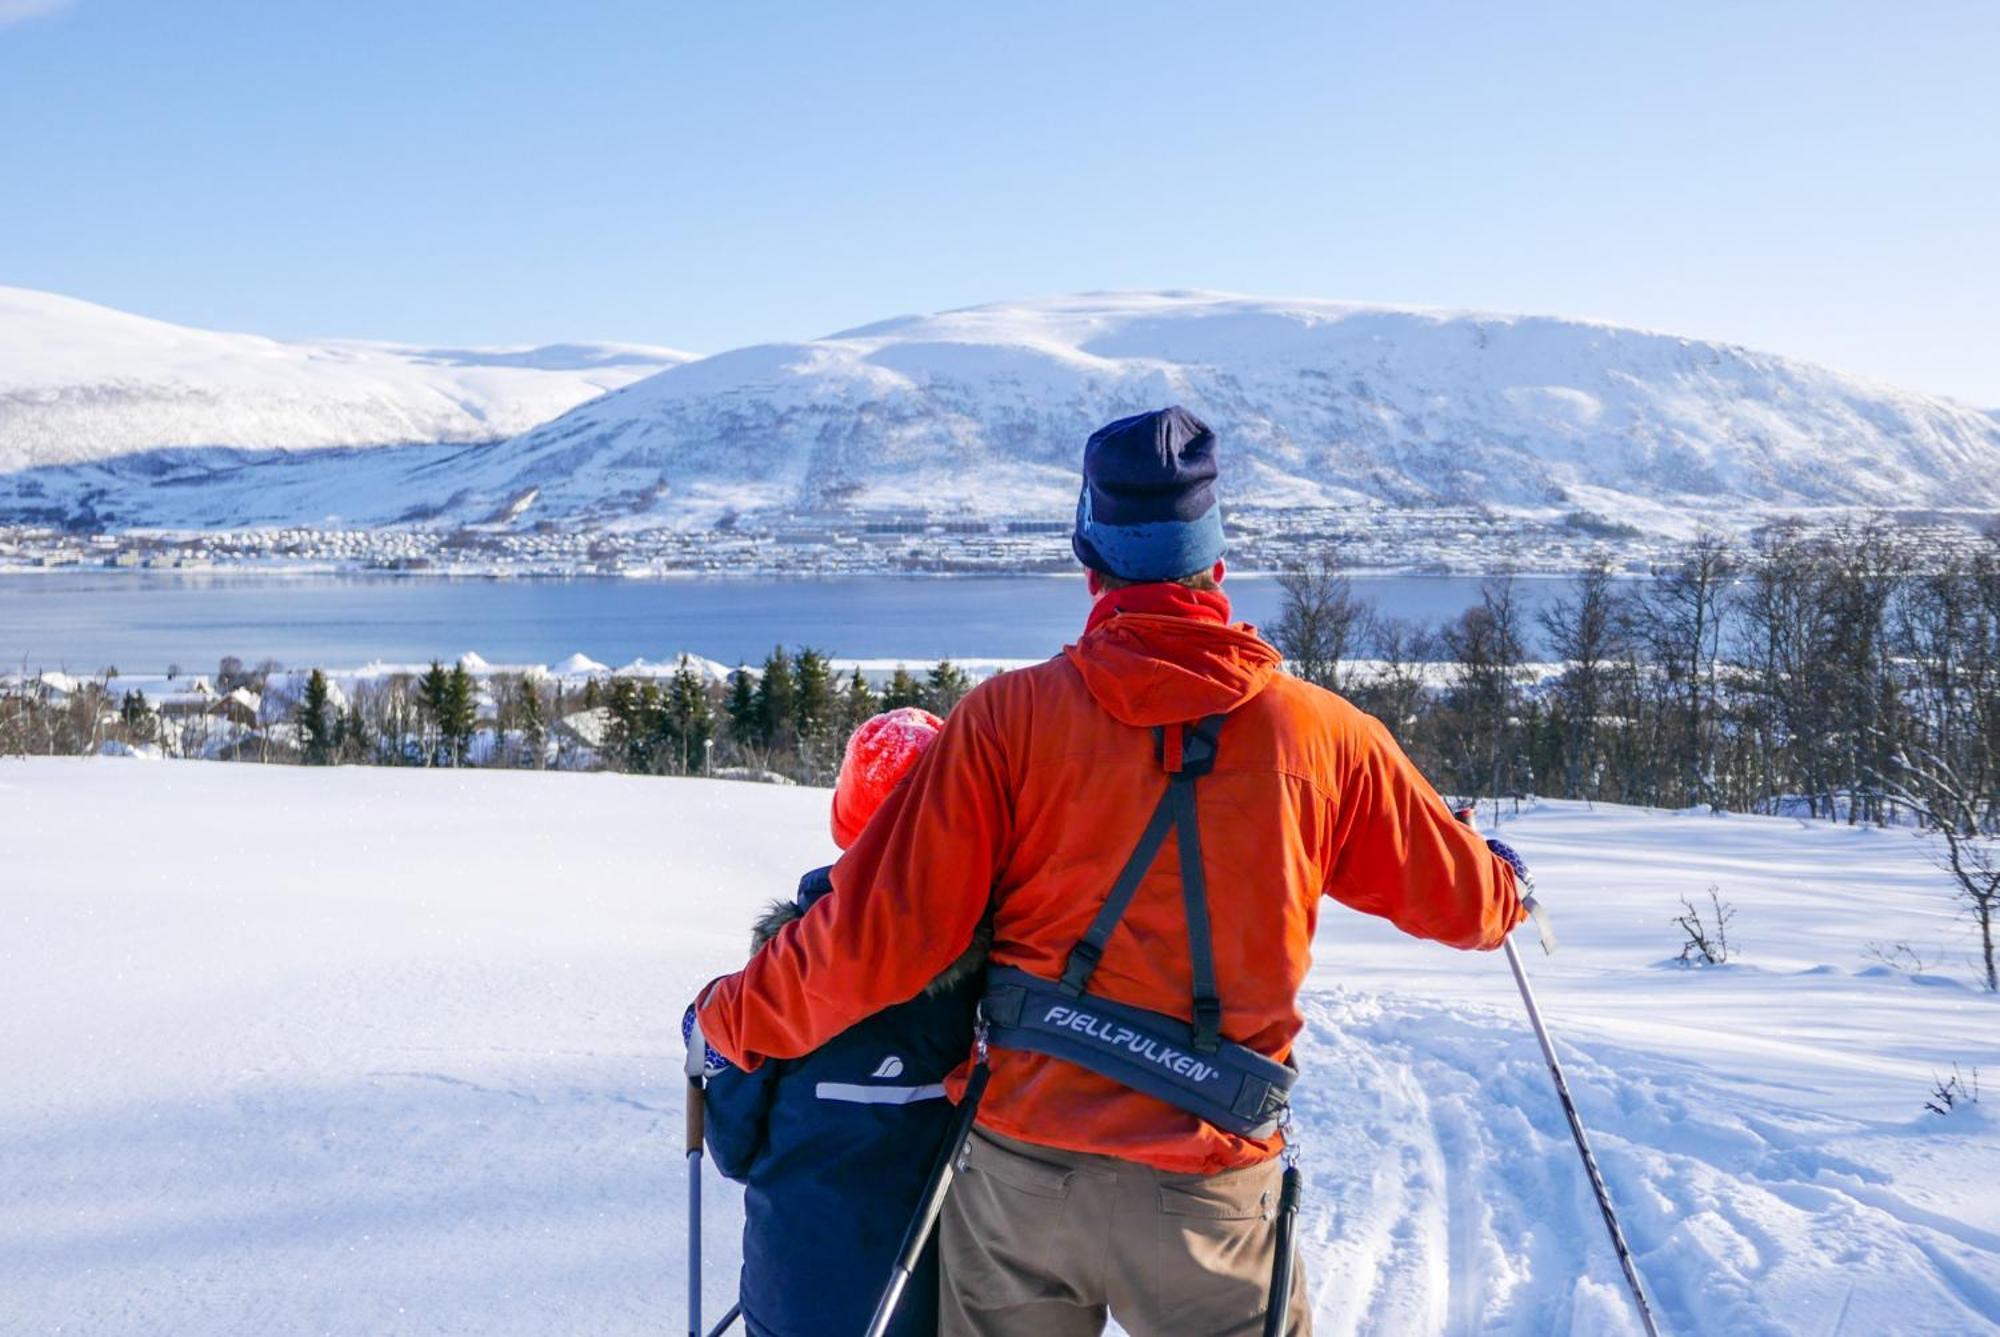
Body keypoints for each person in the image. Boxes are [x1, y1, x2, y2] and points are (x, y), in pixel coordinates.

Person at [691, 406, 1526, 1336]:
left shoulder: (1008, 722)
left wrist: (731, 1017)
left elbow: (877, 936)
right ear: (1216, 562)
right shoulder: (1324, 738)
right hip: (1209, 1186)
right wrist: (1505, 883)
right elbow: (1469, 907)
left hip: (1022, 1180)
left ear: (1091, 561)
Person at [688, 706, 986, 1337]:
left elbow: (734, 1148)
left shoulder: (780, 974)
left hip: (793, 1293)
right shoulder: (1003, 974)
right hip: (942, 1298)